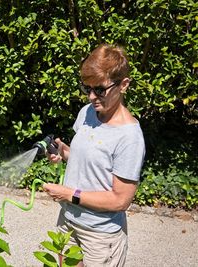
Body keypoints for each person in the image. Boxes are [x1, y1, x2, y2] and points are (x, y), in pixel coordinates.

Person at [43, 44, 145, 267]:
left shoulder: (130, 137)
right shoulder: (88, 112)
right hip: (68, 222)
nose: (91, 97)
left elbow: (120, 200)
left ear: (124, 84)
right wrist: (64, 152)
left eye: (99, 89)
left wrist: (69, 194)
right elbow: (90, 159)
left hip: (99, 235)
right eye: (86, 88)